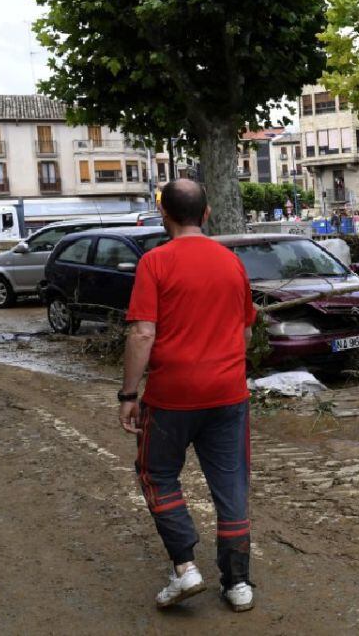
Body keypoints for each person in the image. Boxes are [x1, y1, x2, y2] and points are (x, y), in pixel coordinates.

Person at [119, 179, 257, 612]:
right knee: (231, 483)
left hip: (172, 396)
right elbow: (246, 330)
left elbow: (143, 333)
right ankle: (237, 585)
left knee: (156, 474)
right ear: (208, 213)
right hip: (228, 394)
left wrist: (128, 393)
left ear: (165, 216)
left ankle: (185, 569)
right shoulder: (232, 262)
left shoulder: (154, 262)